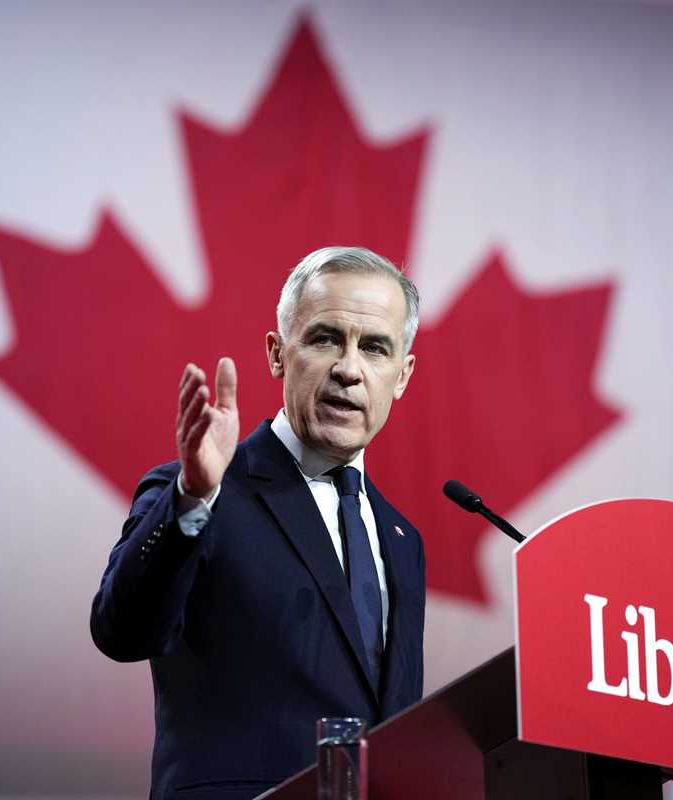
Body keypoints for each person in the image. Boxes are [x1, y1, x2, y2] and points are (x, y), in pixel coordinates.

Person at [90, 246, 426, 800]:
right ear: (277, 354)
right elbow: (121, 631)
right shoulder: (201, 493)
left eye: (374, 347)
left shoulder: (402, 538)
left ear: (402, 375)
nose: (348, 369)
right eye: (325, 339)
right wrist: (193, 498)